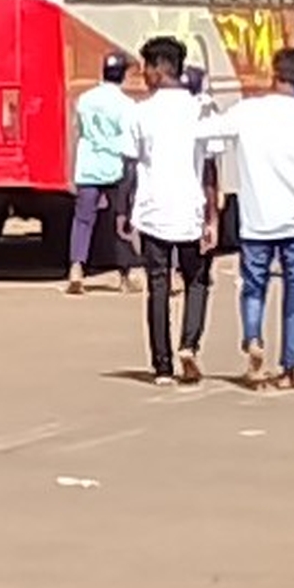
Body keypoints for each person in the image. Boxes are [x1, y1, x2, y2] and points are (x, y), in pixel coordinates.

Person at [207, 52, 294, 390]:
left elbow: (210, 135)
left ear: (273, 75)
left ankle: (253, 339)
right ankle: (290, 367)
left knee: (253, 287)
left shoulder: (248, 111)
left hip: (255, 218)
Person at [124, 41, 217, 385]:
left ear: (159, 69)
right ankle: (189, 344)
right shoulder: (201, 110)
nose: (143, 75)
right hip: (190, 208)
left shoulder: (140, 112)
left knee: (158, 284)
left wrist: (124, 212)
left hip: (152, 209)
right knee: (197, 280)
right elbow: (210, 167)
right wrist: (213, 216)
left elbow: (130, 165)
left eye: (146, 68)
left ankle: (162, 366)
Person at [65, 49, 138, 297]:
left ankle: (76, 268)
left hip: (88, 166)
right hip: (115, 165)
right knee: (121, 219)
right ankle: (124, 276)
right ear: (123, 76)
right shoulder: (126, 104)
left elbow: (79, 129)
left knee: (83, 220)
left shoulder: (85, 99)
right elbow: (129, 139)